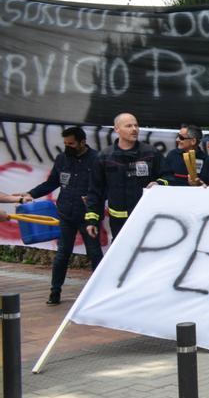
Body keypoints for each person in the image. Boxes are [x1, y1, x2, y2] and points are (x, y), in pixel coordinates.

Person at [26, 127, 103, 306]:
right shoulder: (62, 158)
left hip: (88, 214)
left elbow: (104, 187)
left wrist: (95, 198)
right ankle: (55, 291)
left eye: (71, 144)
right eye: (65, 144)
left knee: (94, 253)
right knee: (62, 254)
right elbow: (52, 182)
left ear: (82, 142)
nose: (68, 147)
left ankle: (99, 292)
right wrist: (30, 194)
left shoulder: (97, 159)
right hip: (66, 213)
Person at [85, 113, 168, 240]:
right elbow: (95, 190)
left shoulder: (151, 153)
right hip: (118, 222)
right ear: (117, 129)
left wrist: (159, 183)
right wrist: (92, 220)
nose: (134, 129)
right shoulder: (104, 157)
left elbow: (168, 176)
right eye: (129, 126)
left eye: (136, 125)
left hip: (146, 217)